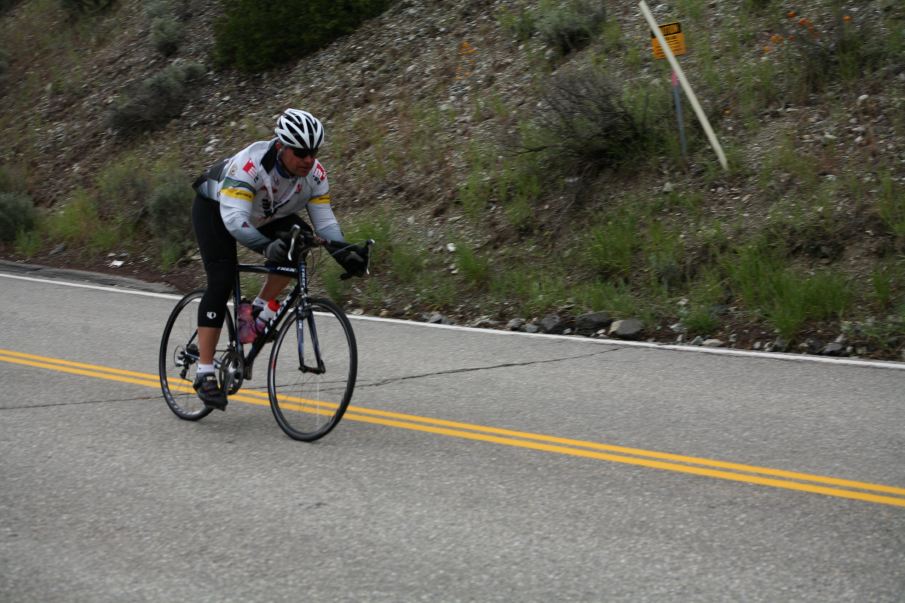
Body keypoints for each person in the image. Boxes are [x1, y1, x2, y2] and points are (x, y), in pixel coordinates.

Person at [190, 109, 368, 410]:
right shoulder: (250, 165)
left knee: (300, 243)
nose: (309, 160)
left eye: (313, 152)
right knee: (221, 282)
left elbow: (325, 224)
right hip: (218, 210)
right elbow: (235, 221)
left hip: (264, 214)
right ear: (281, 147)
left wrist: (343, 253)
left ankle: (255, 313)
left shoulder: (315, 175)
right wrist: (265, 247)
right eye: (301, 153)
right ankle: (204, 371)